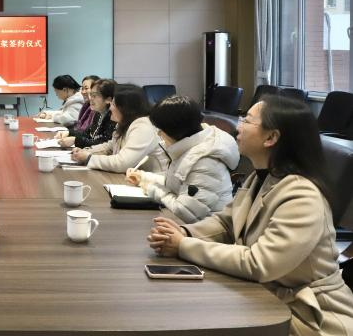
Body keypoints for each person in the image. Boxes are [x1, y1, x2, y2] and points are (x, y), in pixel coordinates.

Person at [148, 96, 353, 335]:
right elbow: (226, 222)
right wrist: (185, 232)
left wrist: (183, 246)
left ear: (271, 138)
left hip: (310, 316)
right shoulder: (261, 176)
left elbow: (260, 263)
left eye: (247, 120)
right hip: (266, 297)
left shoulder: (303, 195)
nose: (238, 126)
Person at [126, 95, 239, 223]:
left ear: (175, 130)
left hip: (204, 230)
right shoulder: (189, 145)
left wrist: (151, 188)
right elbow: (177, 184)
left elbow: (186, 212)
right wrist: (143, 178)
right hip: (189, 226)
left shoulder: (205, 161)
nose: (158, 133)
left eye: (161, 129)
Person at [71, 84, 168, 173]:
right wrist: (86, 151)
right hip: (132, 180)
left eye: (113, 104)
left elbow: (122, 163)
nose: (110, 108)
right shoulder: (125, 123)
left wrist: (88, 158)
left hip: (150, 182)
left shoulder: (143, 127)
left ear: (125, 108)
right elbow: (110, 146)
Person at [57, 78, 117, 149]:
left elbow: (104, 143)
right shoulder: (98, 113)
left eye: (94, 95)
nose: (90, 98)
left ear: (108, 99)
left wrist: (75, 140)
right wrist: (69, 133)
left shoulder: (114, 117)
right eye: (91, 95)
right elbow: (87, 133)